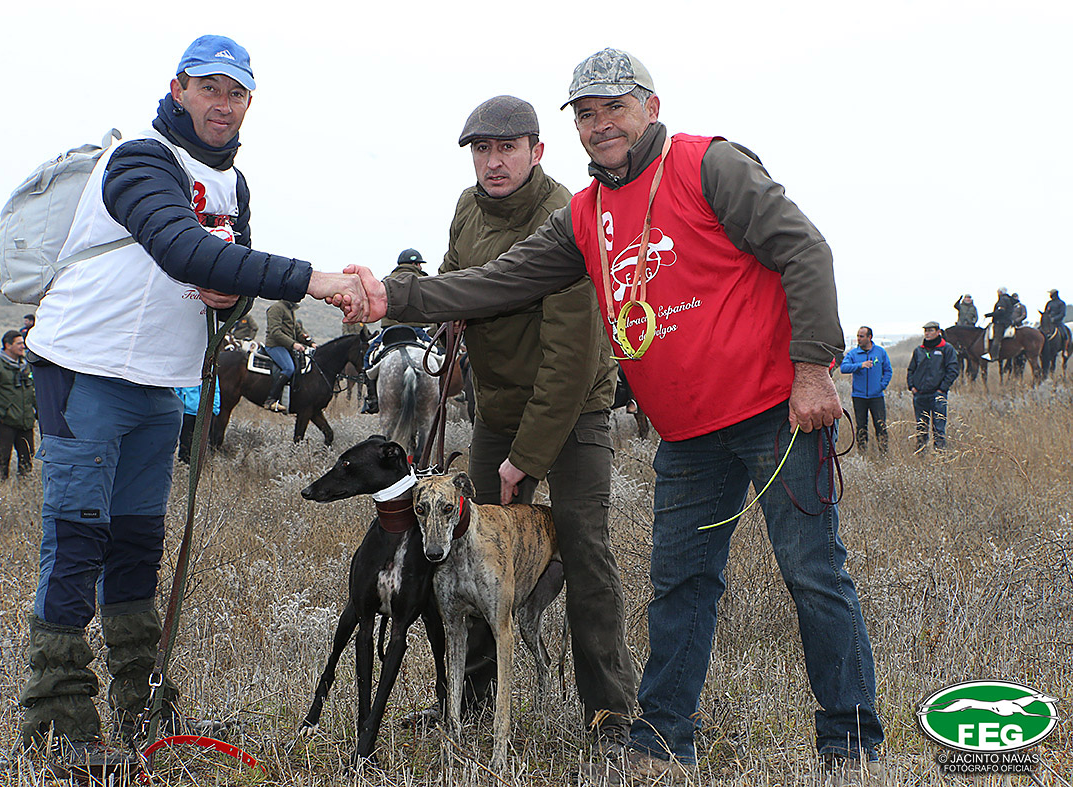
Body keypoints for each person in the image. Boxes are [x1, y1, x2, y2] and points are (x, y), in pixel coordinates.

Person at [344, 47, 883, 782]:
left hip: (772, 413)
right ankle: (662, 738)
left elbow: (805, 250)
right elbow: (498, 280)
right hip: (688, 436)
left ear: (650, 108)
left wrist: (814, 367)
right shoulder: (585, 215)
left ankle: (849, 741)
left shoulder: (708, 165)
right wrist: (394, 297)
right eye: (587, 114)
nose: (601, 125)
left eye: (615, 108)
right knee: (680, 584)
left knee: (811, 573)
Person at [16, 34, 362, 769]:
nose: (222, 104)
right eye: (209, 88)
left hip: (159, 382)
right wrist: (318, 280)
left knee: (138, 542)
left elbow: (228, 286)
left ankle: (141, 699)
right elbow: (180, 248)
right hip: (85, 369)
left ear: (248, 103)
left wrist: (232, 299)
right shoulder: (139, 159)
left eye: (236, 93)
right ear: (178, 89)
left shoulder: (235, 187)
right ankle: (56, 719)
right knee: (78, 540)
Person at [438, 95, 636, 746]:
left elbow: (568, 363)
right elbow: (451, 278)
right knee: (470, 546)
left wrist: (523, 459)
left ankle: (609, 711)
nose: (493, 162)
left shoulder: (567, 215)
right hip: (497, 406)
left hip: (573, 407)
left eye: (507, 148)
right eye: (482, 149)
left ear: (537, 150)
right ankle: (471, 702)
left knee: (583, 548)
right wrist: (443, 311)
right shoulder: (467, 208)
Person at [361, 249, 434, 414]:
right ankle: (440, 394)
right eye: (420, 264)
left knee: (368, 359)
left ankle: (372, 399)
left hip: (390, 331)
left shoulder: (386, 281)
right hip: (416, 330)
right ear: (416, 264)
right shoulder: (424, 279)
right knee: (439, 356)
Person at [0, 330, 36, 480]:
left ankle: (24, 488)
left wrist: (37, 413)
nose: (23, 346)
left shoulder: (26, 366)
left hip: (26, 421)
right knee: (3, 458)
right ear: (8, 345)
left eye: (23, 343)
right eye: (19, 343)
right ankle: (0, 489)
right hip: (5, 421)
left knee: (27, 458)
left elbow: (33, 392)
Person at [907, 322, 960, 452]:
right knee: (921, 428)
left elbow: (953, 370)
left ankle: (940, 456)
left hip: (937, 395)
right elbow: (911, 370)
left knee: (939, 429)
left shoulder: (946, 349)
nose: (927, 333)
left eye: (930, 330)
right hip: (920, 395)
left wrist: (942, 389)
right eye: (926, 331)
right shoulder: (919, 350)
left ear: (938, 332)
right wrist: (912, 386)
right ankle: (921, 455)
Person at [839, 326, 891, 453]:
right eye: (857, 336)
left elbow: (888, 371)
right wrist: (860, 365)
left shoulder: (880, 352)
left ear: (870, 337)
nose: (858, 339)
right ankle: (862, 453)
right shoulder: (853, 354)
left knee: (880, 426)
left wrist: (881, 386)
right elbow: (843, 368)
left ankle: (884, 454)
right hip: (859, 396)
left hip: (876, 396)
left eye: (861, 336)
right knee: (861, 427)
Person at [263, 299, 314, 412]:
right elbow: (275, 332)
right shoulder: (276, 308)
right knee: (288, 368)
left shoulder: (289, 309)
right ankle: (271, 400)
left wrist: (310, 343)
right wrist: (293, 344)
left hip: (286, 346)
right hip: (275, 346)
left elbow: (297, 331)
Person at [172, 384, 220, 463]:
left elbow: (215, 390)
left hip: (206, 413)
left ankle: (201, 465)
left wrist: (214, 409)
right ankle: (184, 465)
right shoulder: (185, 376)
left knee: (202, 443)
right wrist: (181, 407)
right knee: (186, 441)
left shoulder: (211, 375)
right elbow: (177, 389)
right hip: (188, 413)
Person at [986, 287, 1016, 360]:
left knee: (997, 338)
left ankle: (993, 356)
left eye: (998, 292)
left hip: (1001, 322)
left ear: (1000, 292)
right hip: (1007, 321)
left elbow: (1001, 311)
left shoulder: (1002, 299)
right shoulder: (1008, 299)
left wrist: (990, 315)